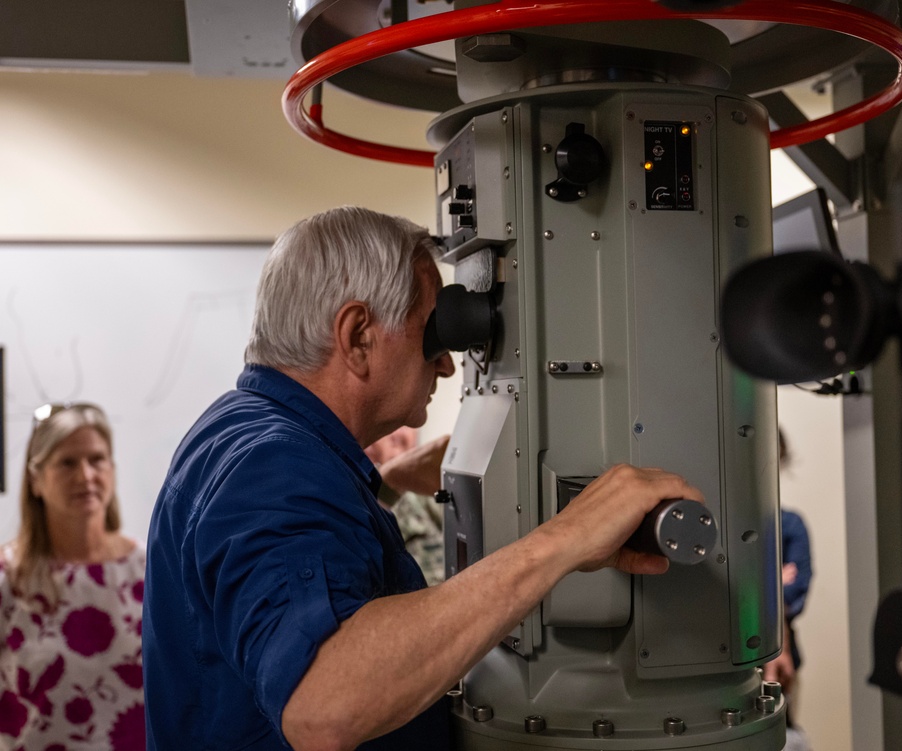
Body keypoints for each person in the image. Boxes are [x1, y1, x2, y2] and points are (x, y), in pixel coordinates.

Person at [143, 206, 703, 751]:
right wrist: (566, 539)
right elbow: (326, 707)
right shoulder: (275, 468)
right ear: (358, 335)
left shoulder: (239, 425)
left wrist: (386, 480)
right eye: (432, 333)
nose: (446, 365)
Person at [0, 402, 145, 749]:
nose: (85, 476)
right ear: (36, 479)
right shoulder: (9, 578)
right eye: (67, 463)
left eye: (96, 459)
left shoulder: (150, 568)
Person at [764, 428, 813, 750]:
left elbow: (797, 590)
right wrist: (773, 579)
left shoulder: (791, 525)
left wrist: (762, 585)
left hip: (783, 658)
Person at [366, 427, 447, 586]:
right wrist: (389, 481)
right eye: (393, 425)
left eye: (406, 424)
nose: (400, 434)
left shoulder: (428, 493)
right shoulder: (356, 495)